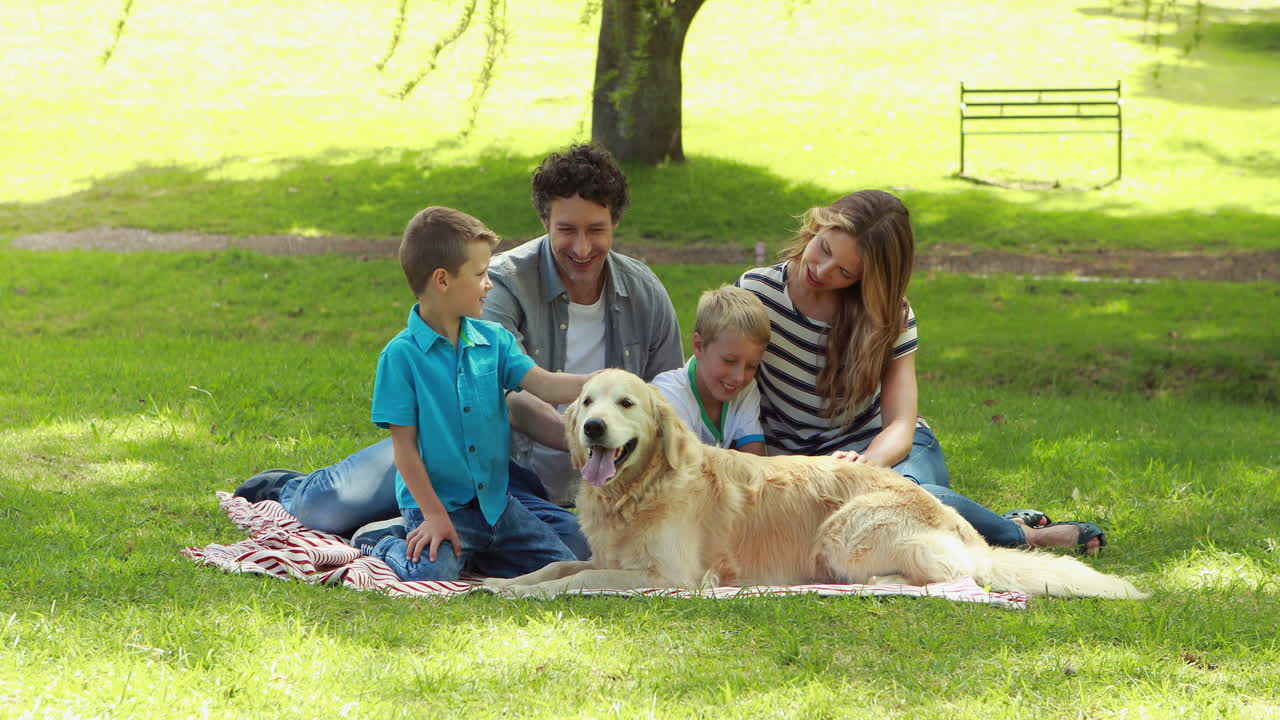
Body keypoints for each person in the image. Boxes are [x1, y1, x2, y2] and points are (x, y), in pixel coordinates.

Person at [234, 144, 683, 560]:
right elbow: (505, 397)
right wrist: (588, 439)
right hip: (472, 449)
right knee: (325, 510)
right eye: (566, 229)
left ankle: (396, 529)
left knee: (581, 554)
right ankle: (292, 490)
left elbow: (667, 398)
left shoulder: (644, 293)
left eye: (596, 230)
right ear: (545, 223)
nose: (582, 247)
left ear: (615, 225)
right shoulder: (500, 282)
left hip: (534, 490)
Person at [736, 190, 1107, 554]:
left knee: (897, 502)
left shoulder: (887, 316)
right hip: (799, 468)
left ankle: (1024, 537)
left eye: (846, 272)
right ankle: (1007, 525)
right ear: (816, 227)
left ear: (867, 278)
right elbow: (727, 392)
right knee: (849, 527)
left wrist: (866, 466)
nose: (821, 270)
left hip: (885, 452)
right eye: (825, 249)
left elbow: (900, 427)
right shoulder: (756, 293)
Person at [350, 206, 596, 581]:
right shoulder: (400, 358)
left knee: (562, 571)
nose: (489, 284)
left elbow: (544, 384)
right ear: (443, 280)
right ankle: (383, 539)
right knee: (433, 574)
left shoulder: (494, 340)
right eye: (480, 274)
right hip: (439, 509)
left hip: (498, 508)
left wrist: (604, 379)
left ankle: (478, 555)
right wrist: (433, 517)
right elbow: (405, 451)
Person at [650, 286, 768, 455]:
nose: (739, 377)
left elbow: (757, 465)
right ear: (699, 346)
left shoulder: (746, 390)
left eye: (752, 366)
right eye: (729, 361)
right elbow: (686, 471)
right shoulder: (669, 395)